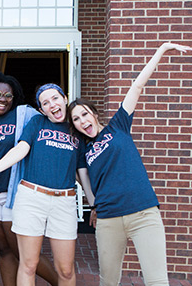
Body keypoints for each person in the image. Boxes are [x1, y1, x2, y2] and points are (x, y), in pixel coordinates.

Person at [68, 42, 191, 286]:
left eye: (84, 114)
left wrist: (162, 50)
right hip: (108, 220)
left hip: (143, 214)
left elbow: (137, 86)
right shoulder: (84, 149)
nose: (82, 121)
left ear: (93, 113)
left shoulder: (119, 126)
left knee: (157, 281)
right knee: (108, 281)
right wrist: (94, 207)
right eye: (76, 119)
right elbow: (85, 182)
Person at [0, 83, 94, 286]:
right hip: (31, 198)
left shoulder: (76, 129)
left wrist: (94, 203)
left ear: (65, 99)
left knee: (66, 270)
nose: (52, 105)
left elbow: (81, 173)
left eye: (55, 98)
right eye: (45, 103)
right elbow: (21, 148)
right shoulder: (37, 123)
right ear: (41, 110)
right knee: (28, 265)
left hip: (64, 202)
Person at [0, 73, 59, 286]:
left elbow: (46, 125)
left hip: (14, 194)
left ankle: (60, 283)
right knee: (3, 249)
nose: (2, 99)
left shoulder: (24, 114)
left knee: (21, 251)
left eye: (8, 95)